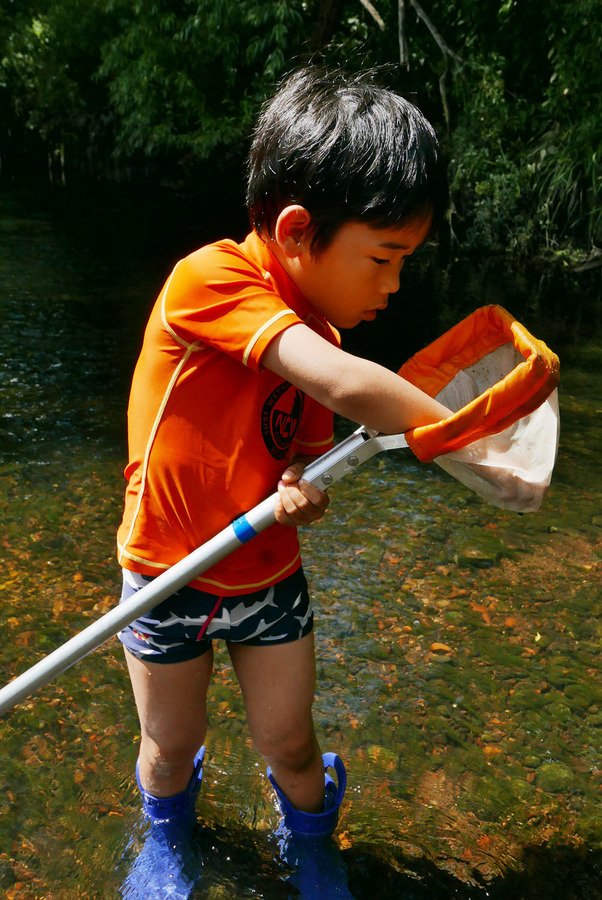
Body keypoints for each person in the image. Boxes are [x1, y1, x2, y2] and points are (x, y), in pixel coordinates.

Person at [116, 64, 450, 863]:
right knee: (169, 746)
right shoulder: (210, 279)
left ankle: (312, 851)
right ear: (298, 230)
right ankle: (167, 843)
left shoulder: (322, 341)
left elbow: (302, 463)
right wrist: (471, 430)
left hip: (266, 577)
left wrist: (302, 492)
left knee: (291, 743)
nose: (394, 285)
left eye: (405, 262)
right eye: (383, 258)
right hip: (167, 573)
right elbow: (344, 383)